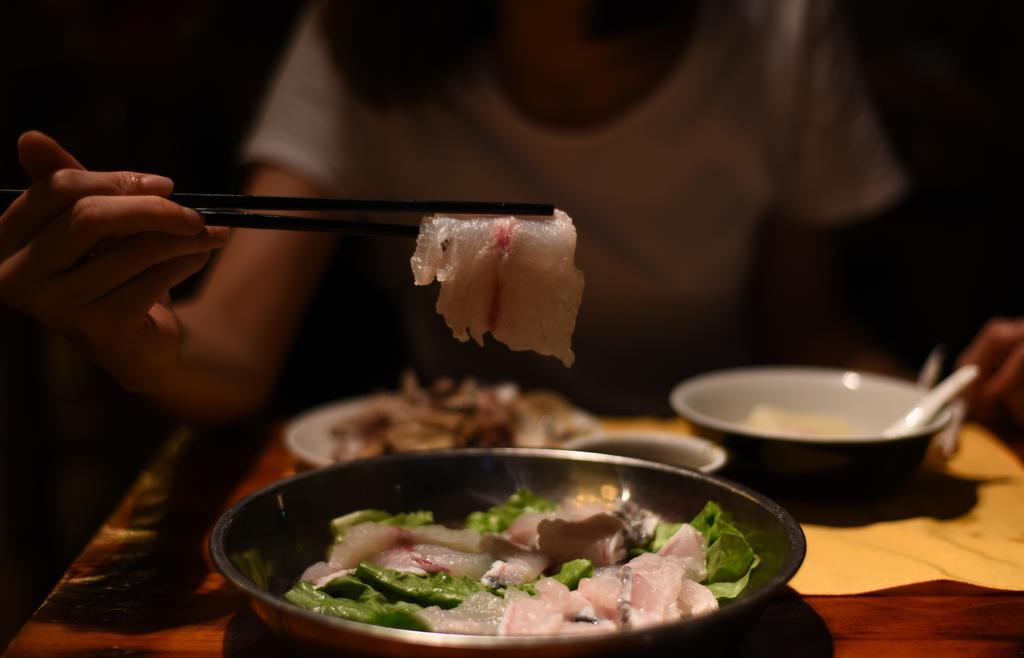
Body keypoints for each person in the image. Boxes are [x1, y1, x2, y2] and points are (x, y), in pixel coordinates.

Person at [0, 0, 1021, 425]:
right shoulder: (363, 33)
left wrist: (948, 403)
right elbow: (226, 349)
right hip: (468, 472)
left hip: (705, 463)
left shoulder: (775, 27)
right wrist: (130, 330)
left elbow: (803, 327)